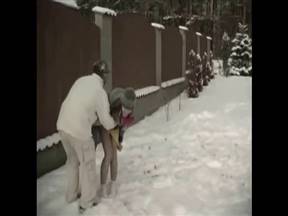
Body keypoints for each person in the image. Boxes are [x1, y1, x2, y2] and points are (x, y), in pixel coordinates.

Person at [56, 60, 117, 213]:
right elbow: (105, 120)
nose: (108, 76)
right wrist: (115, 128)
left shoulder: (81, 80)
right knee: (87, 164)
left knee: (72, 162)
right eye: (107, 74)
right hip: (78, 130)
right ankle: (87, 202)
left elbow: (80, 104)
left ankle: (71, 195)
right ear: (104, 75)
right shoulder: (100, 92)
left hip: (63, 125)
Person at [95, 87, 136, 198]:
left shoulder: (130, 113)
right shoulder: (112, 103)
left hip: (115, 126)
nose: (127, 111)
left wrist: (119, 139)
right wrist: (114, 136)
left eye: (129, 109)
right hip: (105, 123)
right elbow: (105, 120)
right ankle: (103, 187)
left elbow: (122, 127)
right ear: (121, 104)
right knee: (108, 154)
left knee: (114, 156)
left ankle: (113, 184)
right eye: (125, 108)